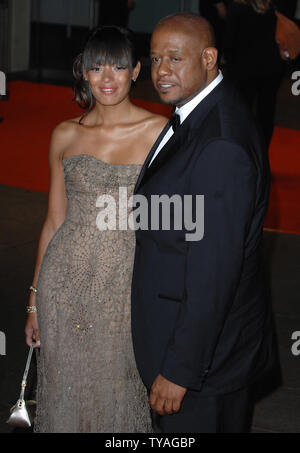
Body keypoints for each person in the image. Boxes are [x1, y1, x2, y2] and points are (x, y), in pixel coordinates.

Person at [131, 13, 276, 433]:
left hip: (203, 366)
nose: (161, 71)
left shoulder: (221, 143)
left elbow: (214, 271)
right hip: (203, 349)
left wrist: (180, 370)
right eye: (155, 58)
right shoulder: (201, 111)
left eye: (175, 58)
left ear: (209, 58)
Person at [24, 25, 168, 433]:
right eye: (96, 67)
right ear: (83, 72)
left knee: (118, 394)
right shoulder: (65, 134)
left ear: (136, 70)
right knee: (64, 391)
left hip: (124, 287)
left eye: (118, 67)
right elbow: (54, 221)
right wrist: (34, 301)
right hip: (63, 285)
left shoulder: (160, 133)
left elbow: (168, 223)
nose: (107, 79)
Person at [223, 0, 285, 148]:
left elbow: (229, 41)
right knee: (266, 113)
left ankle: (243, 151)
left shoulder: (237, 8)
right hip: (272, 69)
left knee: (242, 114)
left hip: (244, 70)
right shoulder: (275, 7)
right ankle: (262, 153)